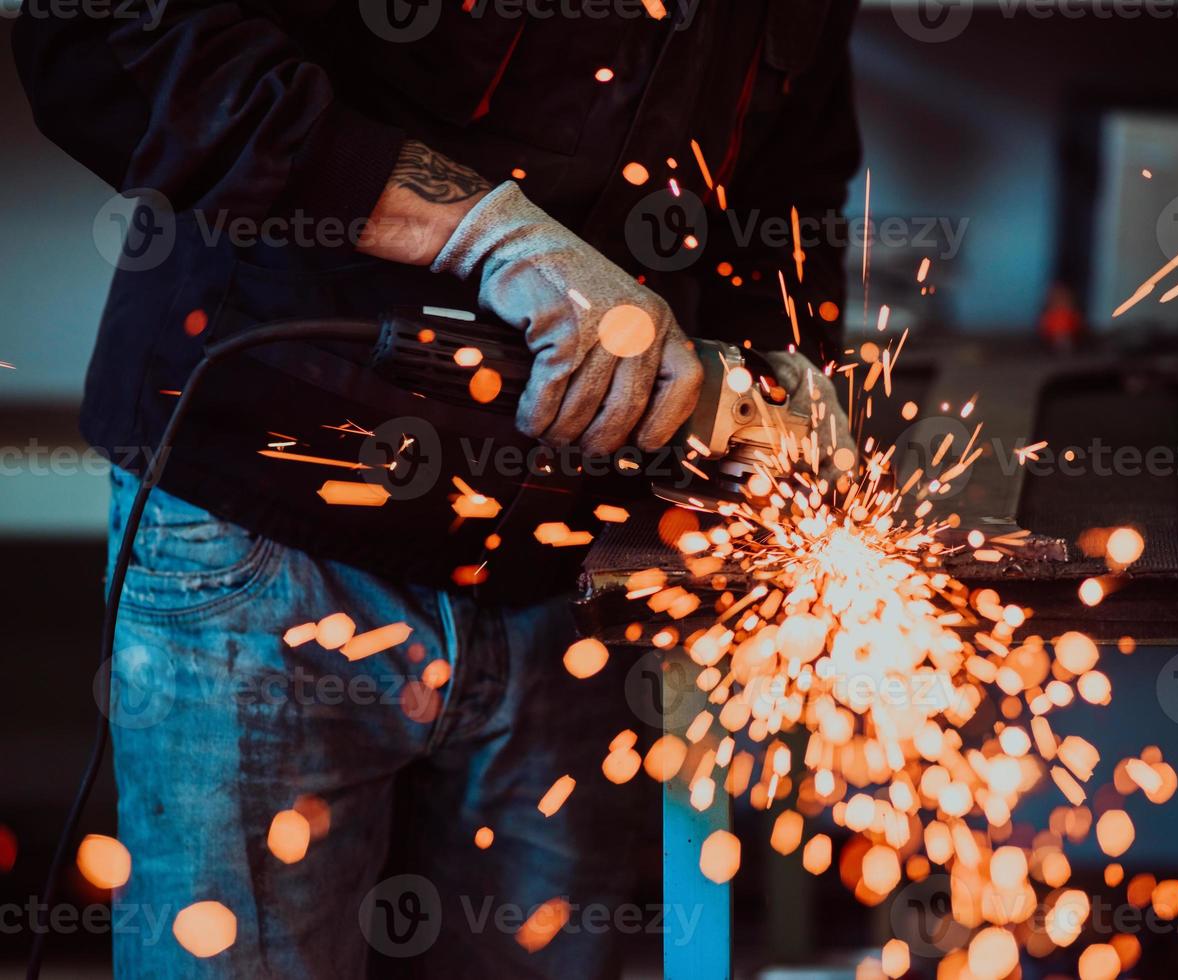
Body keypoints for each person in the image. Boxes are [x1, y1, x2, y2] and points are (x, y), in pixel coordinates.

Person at [14, 2, 861, 976]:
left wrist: (780, 373)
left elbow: (784, 188)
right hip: (268, 526)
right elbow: (102, 42)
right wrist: (488, 234)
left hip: (572, 571)